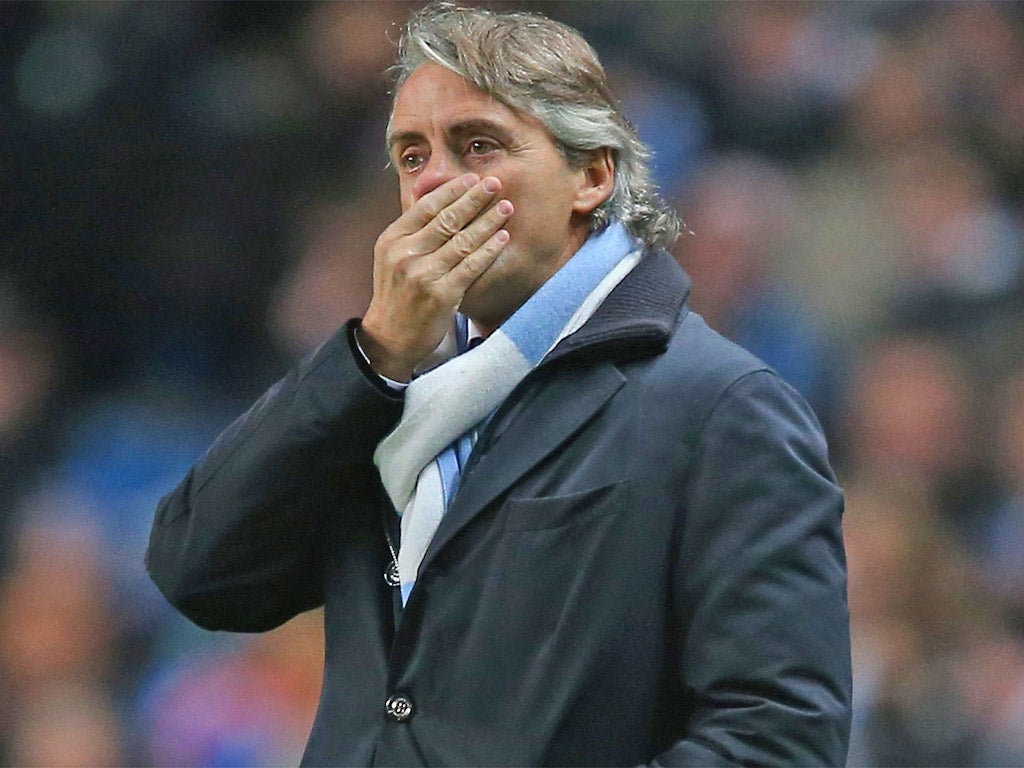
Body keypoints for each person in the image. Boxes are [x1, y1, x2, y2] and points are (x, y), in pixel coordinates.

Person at [146, 3, 851, 765]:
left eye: (478, 145)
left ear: (592, 174)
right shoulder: (380, 392)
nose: (436, 183)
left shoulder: (720, 406)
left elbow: (779, 738)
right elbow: (201, 572)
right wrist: (372, 355)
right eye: (411, 157)